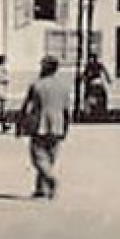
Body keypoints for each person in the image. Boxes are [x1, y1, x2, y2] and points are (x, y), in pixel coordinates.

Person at [19, 55, 72, 200]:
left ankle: (50, 179)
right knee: (50, 157)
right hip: (57, 125)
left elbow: (26, 106)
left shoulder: (36, 85)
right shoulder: (63, 86)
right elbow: (67, 110)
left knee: (38, 157)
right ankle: (41, 189)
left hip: (39, 125)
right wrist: (66, 127)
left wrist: (20, 123)